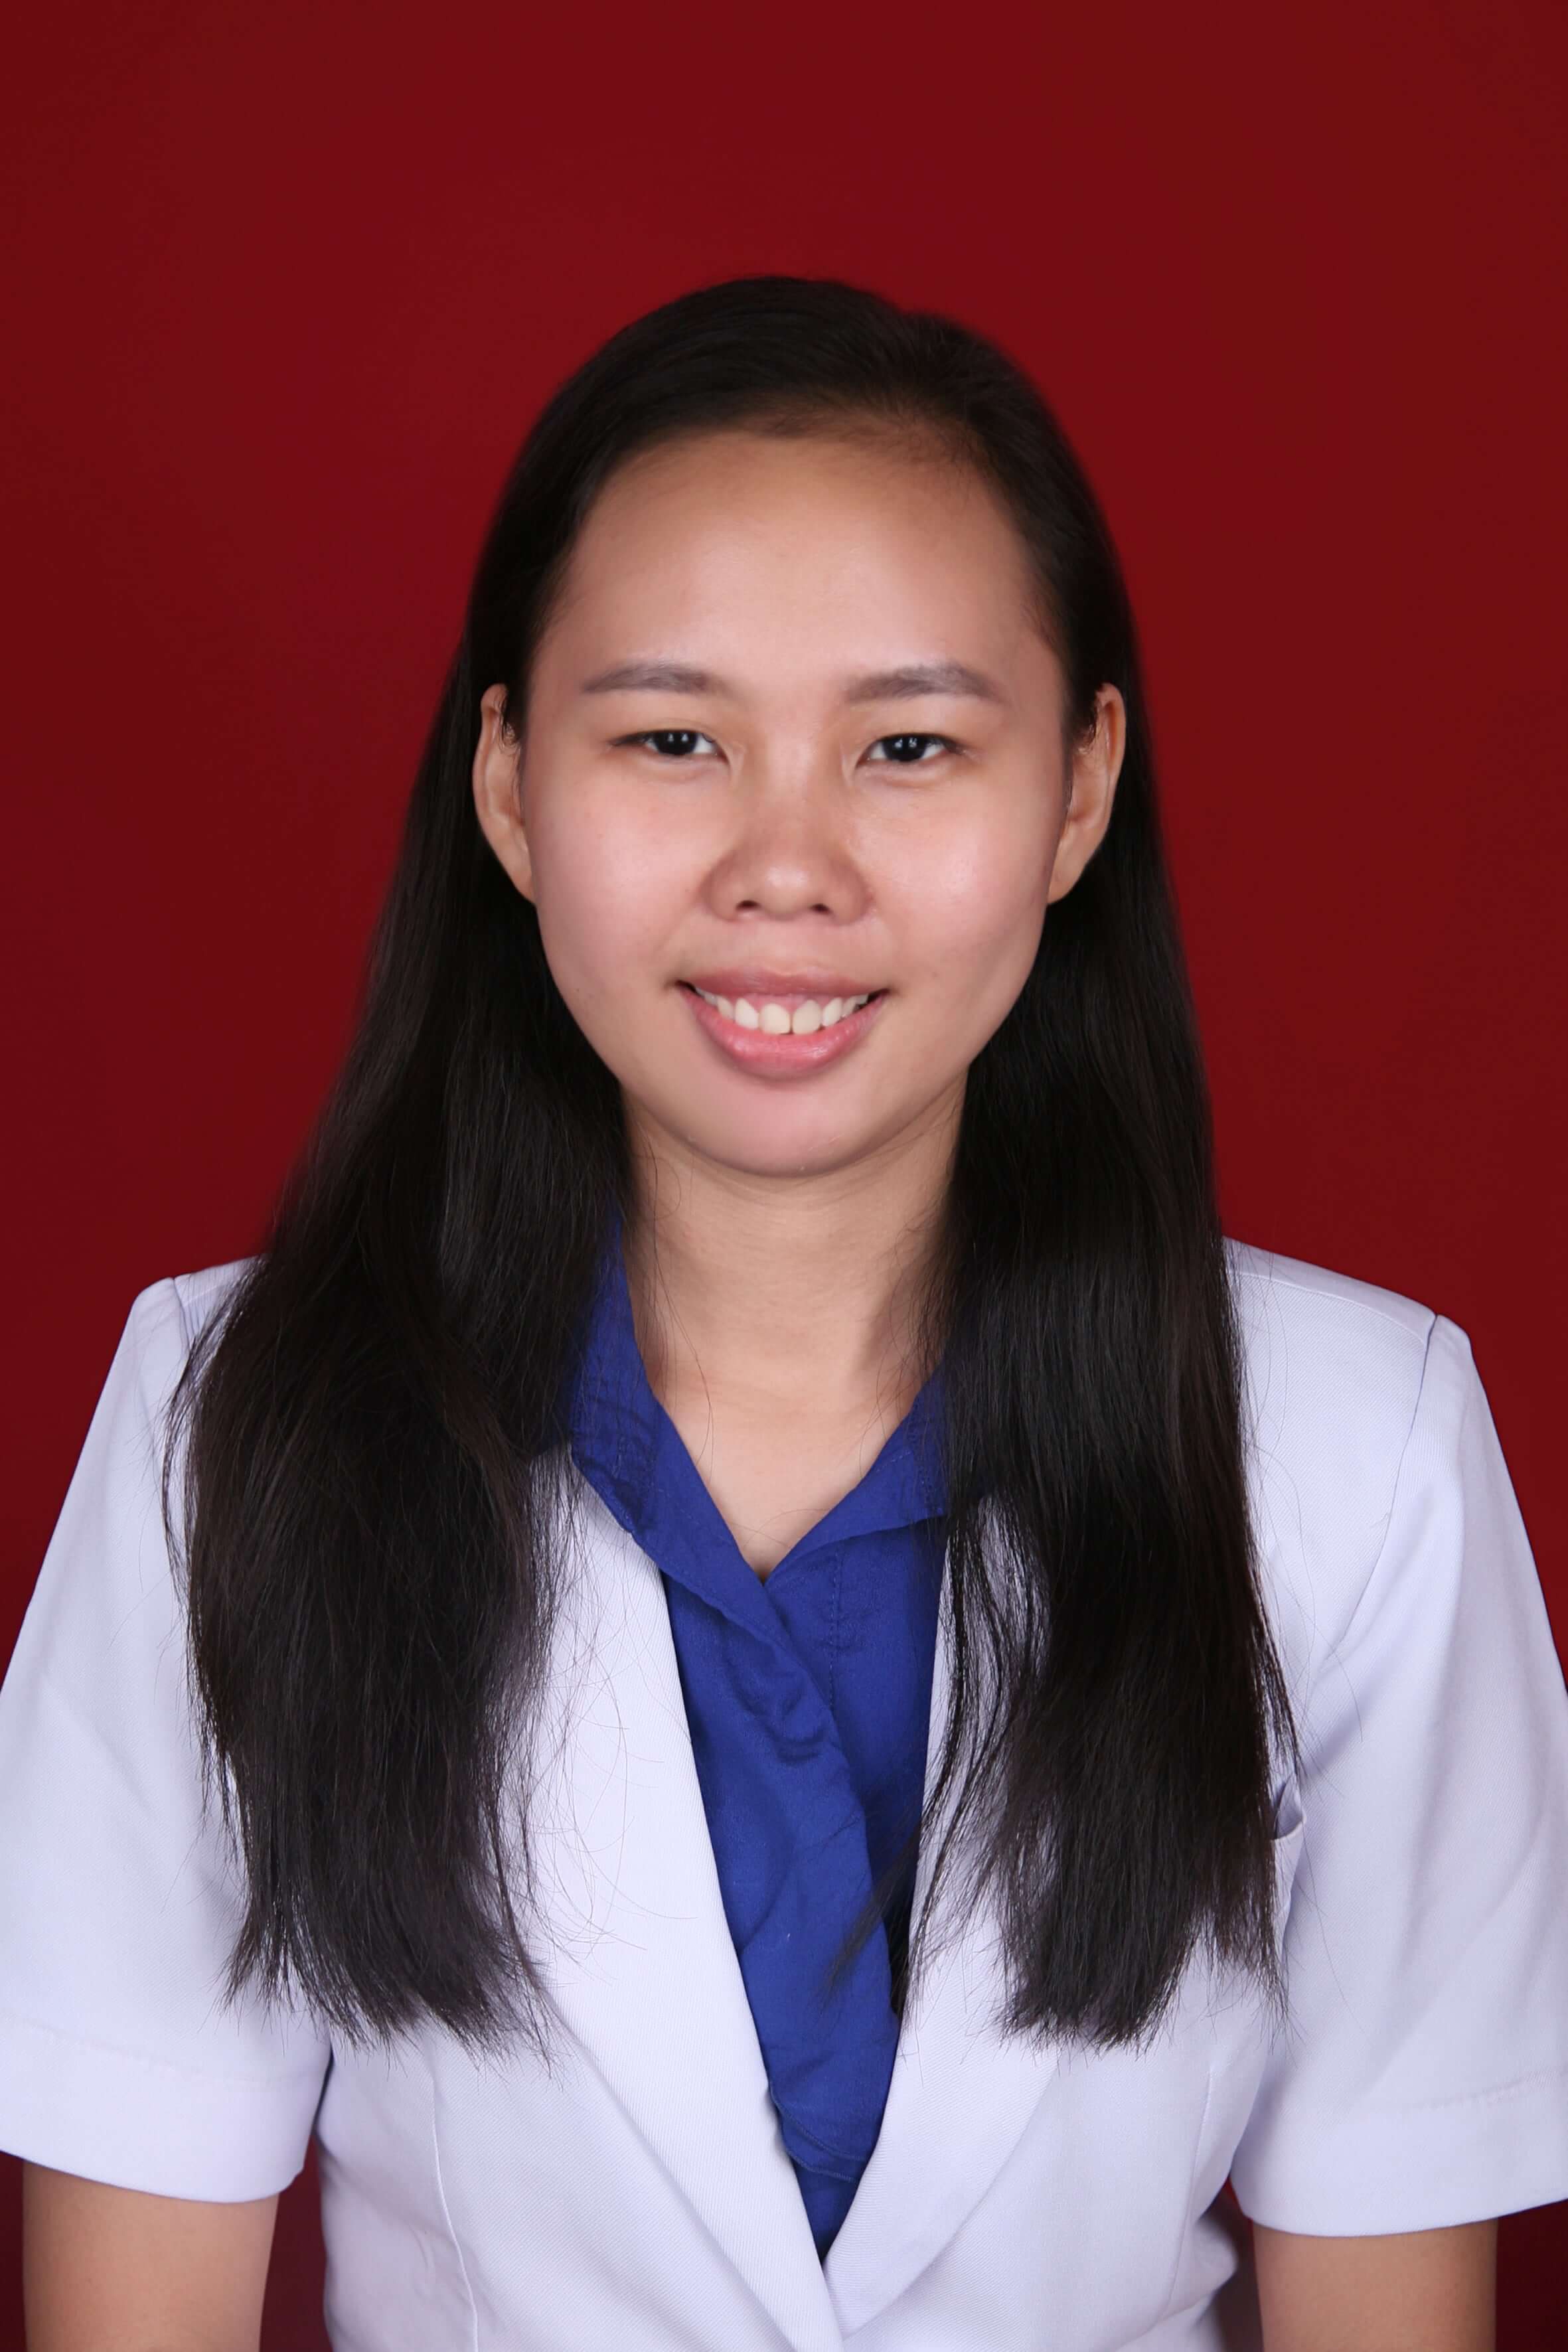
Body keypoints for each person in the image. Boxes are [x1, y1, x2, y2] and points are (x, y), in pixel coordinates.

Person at [2, 275, 1565, 2352]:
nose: (787, 864)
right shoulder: (231, 1429)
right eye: (673, 739)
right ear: (507, 784)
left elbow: (1386, 2275)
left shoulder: (1361, 1452)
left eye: (907, 746)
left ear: (1076, 791)